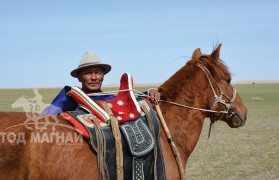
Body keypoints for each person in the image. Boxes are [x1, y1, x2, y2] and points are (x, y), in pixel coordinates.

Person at [42, 51, 160, 115]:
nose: (94, 77)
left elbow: (129, 101)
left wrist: (149, 92)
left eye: (98, 73)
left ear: (103, 76)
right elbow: (46, 118)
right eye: (88, 73)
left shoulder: (109, 98)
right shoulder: (69, 96)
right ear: (79, 78)